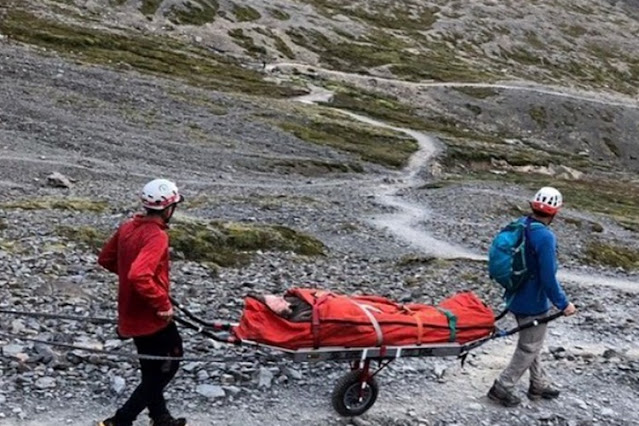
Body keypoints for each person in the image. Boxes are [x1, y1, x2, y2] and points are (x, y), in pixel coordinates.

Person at [97, 179, 186, 426]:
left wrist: (130, 278)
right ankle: (120, 420)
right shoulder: (156, 236)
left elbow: (106, 259)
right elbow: (139, 274)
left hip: (130, 311)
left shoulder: (128, 227)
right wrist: (161, 303)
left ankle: (161, 418)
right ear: (168, 209)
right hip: (151, 316)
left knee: (151, 367)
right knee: (169, 363)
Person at [488, 186, 577, 407]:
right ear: (555, 211)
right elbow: (548, 277)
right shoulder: (545, 236)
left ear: (533, 206)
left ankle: (538, 383)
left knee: (532, 342)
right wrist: (563, 304)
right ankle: (502, 388)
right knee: (529, 346)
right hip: (533, 302)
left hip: (516, 296)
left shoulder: (523, 225)